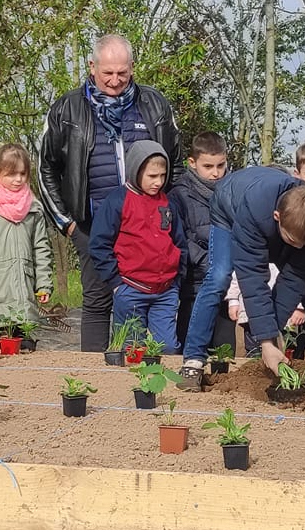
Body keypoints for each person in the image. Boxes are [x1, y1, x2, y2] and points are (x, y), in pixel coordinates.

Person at [37, 34, 180, 352]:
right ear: (92, 66)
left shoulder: (155, 105)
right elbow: (45, 168)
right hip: (92, 224)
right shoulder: (67, 108)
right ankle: (94, 378)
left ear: (132, 68)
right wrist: (67, 224)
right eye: (107, 73)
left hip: (146, 224)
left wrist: (169, 215)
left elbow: (177, 164)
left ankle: (153, 373)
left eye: (122, 73)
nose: (115, 81)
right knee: (98, 299)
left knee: (152, 297)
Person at [179, 166, 305, 386]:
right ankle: (193, 360)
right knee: (219, 276)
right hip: (230, 208)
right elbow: (254, 279)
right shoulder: (254, 211)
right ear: (277, 217)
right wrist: (265, 340)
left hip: (271, 217)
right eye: (293, 241)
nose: (299, 247)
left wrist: (274, 336)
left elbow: (296, 279)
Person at [90, 141, 186, 358]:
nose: (158, 182)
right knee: (133, 353)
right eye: (152, 176)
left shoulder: (168, 203)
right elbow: (99, 244)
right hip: (130, 289)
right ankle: (133, 393)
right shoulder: (117, 200)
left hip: (166, 291)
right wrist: (116, 284)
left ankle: (167, 392)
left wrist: (177, 280)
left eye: (162, 175)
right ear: (135, 170)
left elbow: (179, 242)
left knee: (169, 349)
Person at [0, 143, 55, 345]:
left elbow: (41, 248)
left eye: (23, 174)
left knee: (25, 351)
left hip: (24, 294)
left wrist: (44, 284)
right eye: (11, 174)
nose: (18, 179)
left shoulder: (33, 207)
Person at [171, 131, 234, 356]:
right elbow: (180, 238)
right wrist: (210, 262)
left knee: (225, 352)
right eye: (208, 166)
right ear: (192, 162)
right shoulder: (179, 194)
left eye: (220, 165)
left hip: (227, 286)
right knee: (190, 348)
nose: (215, 173)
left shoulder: (233, 190)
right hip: (194, 285)